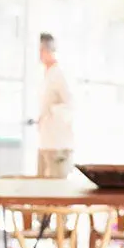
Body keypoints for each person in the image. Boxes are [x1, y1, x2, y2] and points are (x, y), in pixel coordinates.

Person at [37, 32, 75, 178]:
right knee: (41, 189)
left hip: (58, 143)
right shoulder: (46, 74)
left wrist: (51, 113)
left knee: (56, 188)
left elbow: (70, 105)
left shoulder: (61, 74)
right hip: (46, 142)